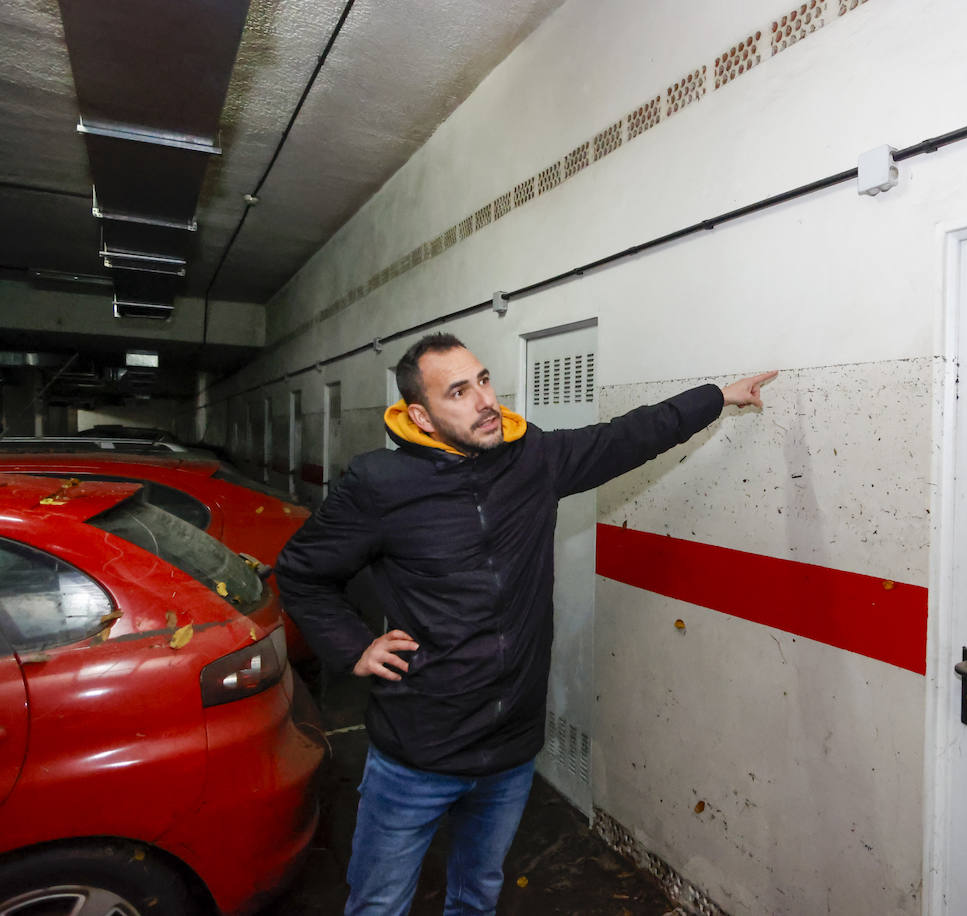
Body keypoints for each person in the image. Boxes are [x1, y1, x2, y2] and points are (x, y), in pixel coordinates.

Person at [275, 332, 776, 915]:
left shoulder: (530, 459)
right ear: (422, 415)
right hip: (418, 751)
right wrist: (354, 644)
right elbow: (302, 571)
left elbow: (625, 437)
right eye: (458, 392)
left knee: (477, 895)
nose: (484, 399)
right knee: (379, 903)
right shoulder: (379, 485)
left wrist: (718, 396)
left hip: (510, 749)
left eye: (483, 380)